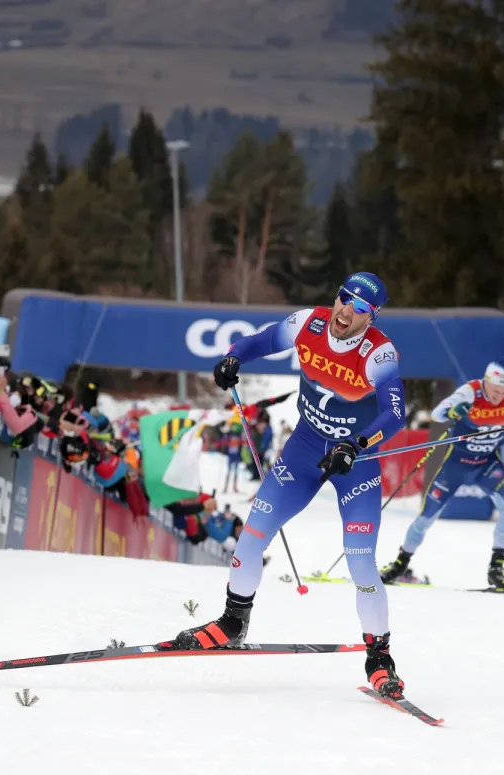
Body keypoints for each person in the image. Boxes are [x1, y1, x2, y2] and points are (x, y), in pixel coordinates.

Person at [159, 272, 408, 699]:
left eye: (360, 308)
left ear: (372, 316)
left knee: (361, 561)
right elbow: (261, 340)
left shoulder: (379, 354)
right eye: (344, 298)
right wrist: (233, 357)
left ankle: (379, 658)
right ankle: (232, 623)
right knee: (252, 534)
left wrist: (358, 443)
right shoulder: (308, 323)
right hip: (306, 448)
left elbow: (396, 412)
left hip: (356, 461)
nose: (346, 310)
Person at [380, 352, 504, 591]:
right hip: (456, 465)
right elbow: (438, 413)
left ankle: (496, 568)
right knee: (426, 517)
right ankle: (400, 564)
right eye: (496, 390)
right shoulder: (470, 392)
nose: (500, 396)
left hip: (487, 464)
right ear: (486, 381)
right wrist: (454, 410)